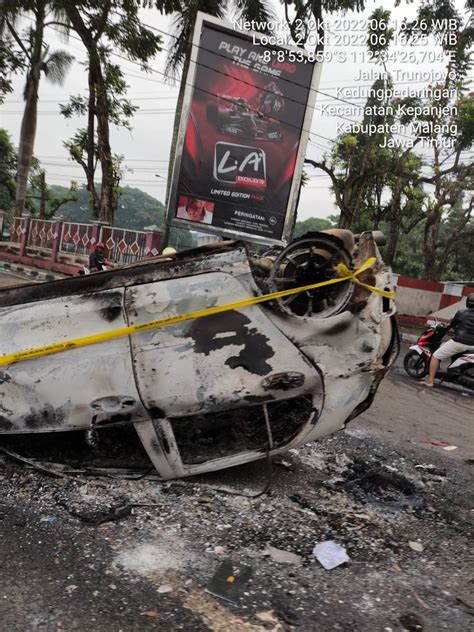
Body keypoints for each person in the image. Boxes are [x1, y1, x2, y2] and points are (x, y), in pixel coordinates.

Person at [422, 293, 474, 387]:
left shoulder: (462, 312)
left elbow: (453, 325)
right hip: (472, 345)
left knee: (436, 356)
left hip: (460, 342)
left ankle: (430, 381)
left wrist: (448, 328)